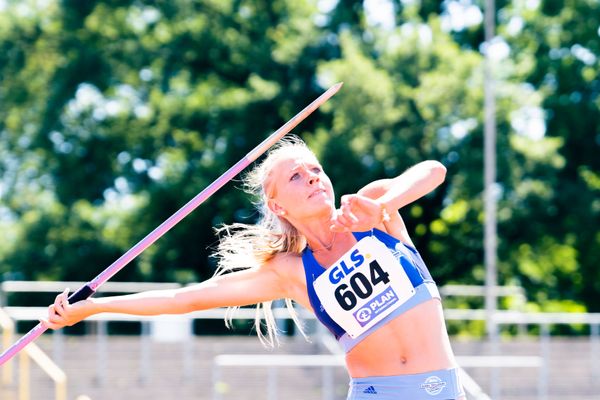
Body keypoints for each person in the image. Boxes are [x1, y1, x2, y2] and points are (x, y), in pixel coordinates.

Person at [42, 136, 465, 399]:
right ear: (278, 205)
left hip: (443, 389)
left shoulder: (373, 209)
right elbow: (182, 299)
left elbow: (434, 170)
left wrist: (384, 204)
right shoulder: (291, 272)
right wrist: (93, 309)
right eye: (297, 176)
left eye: (315, 169)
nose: (313, 177)